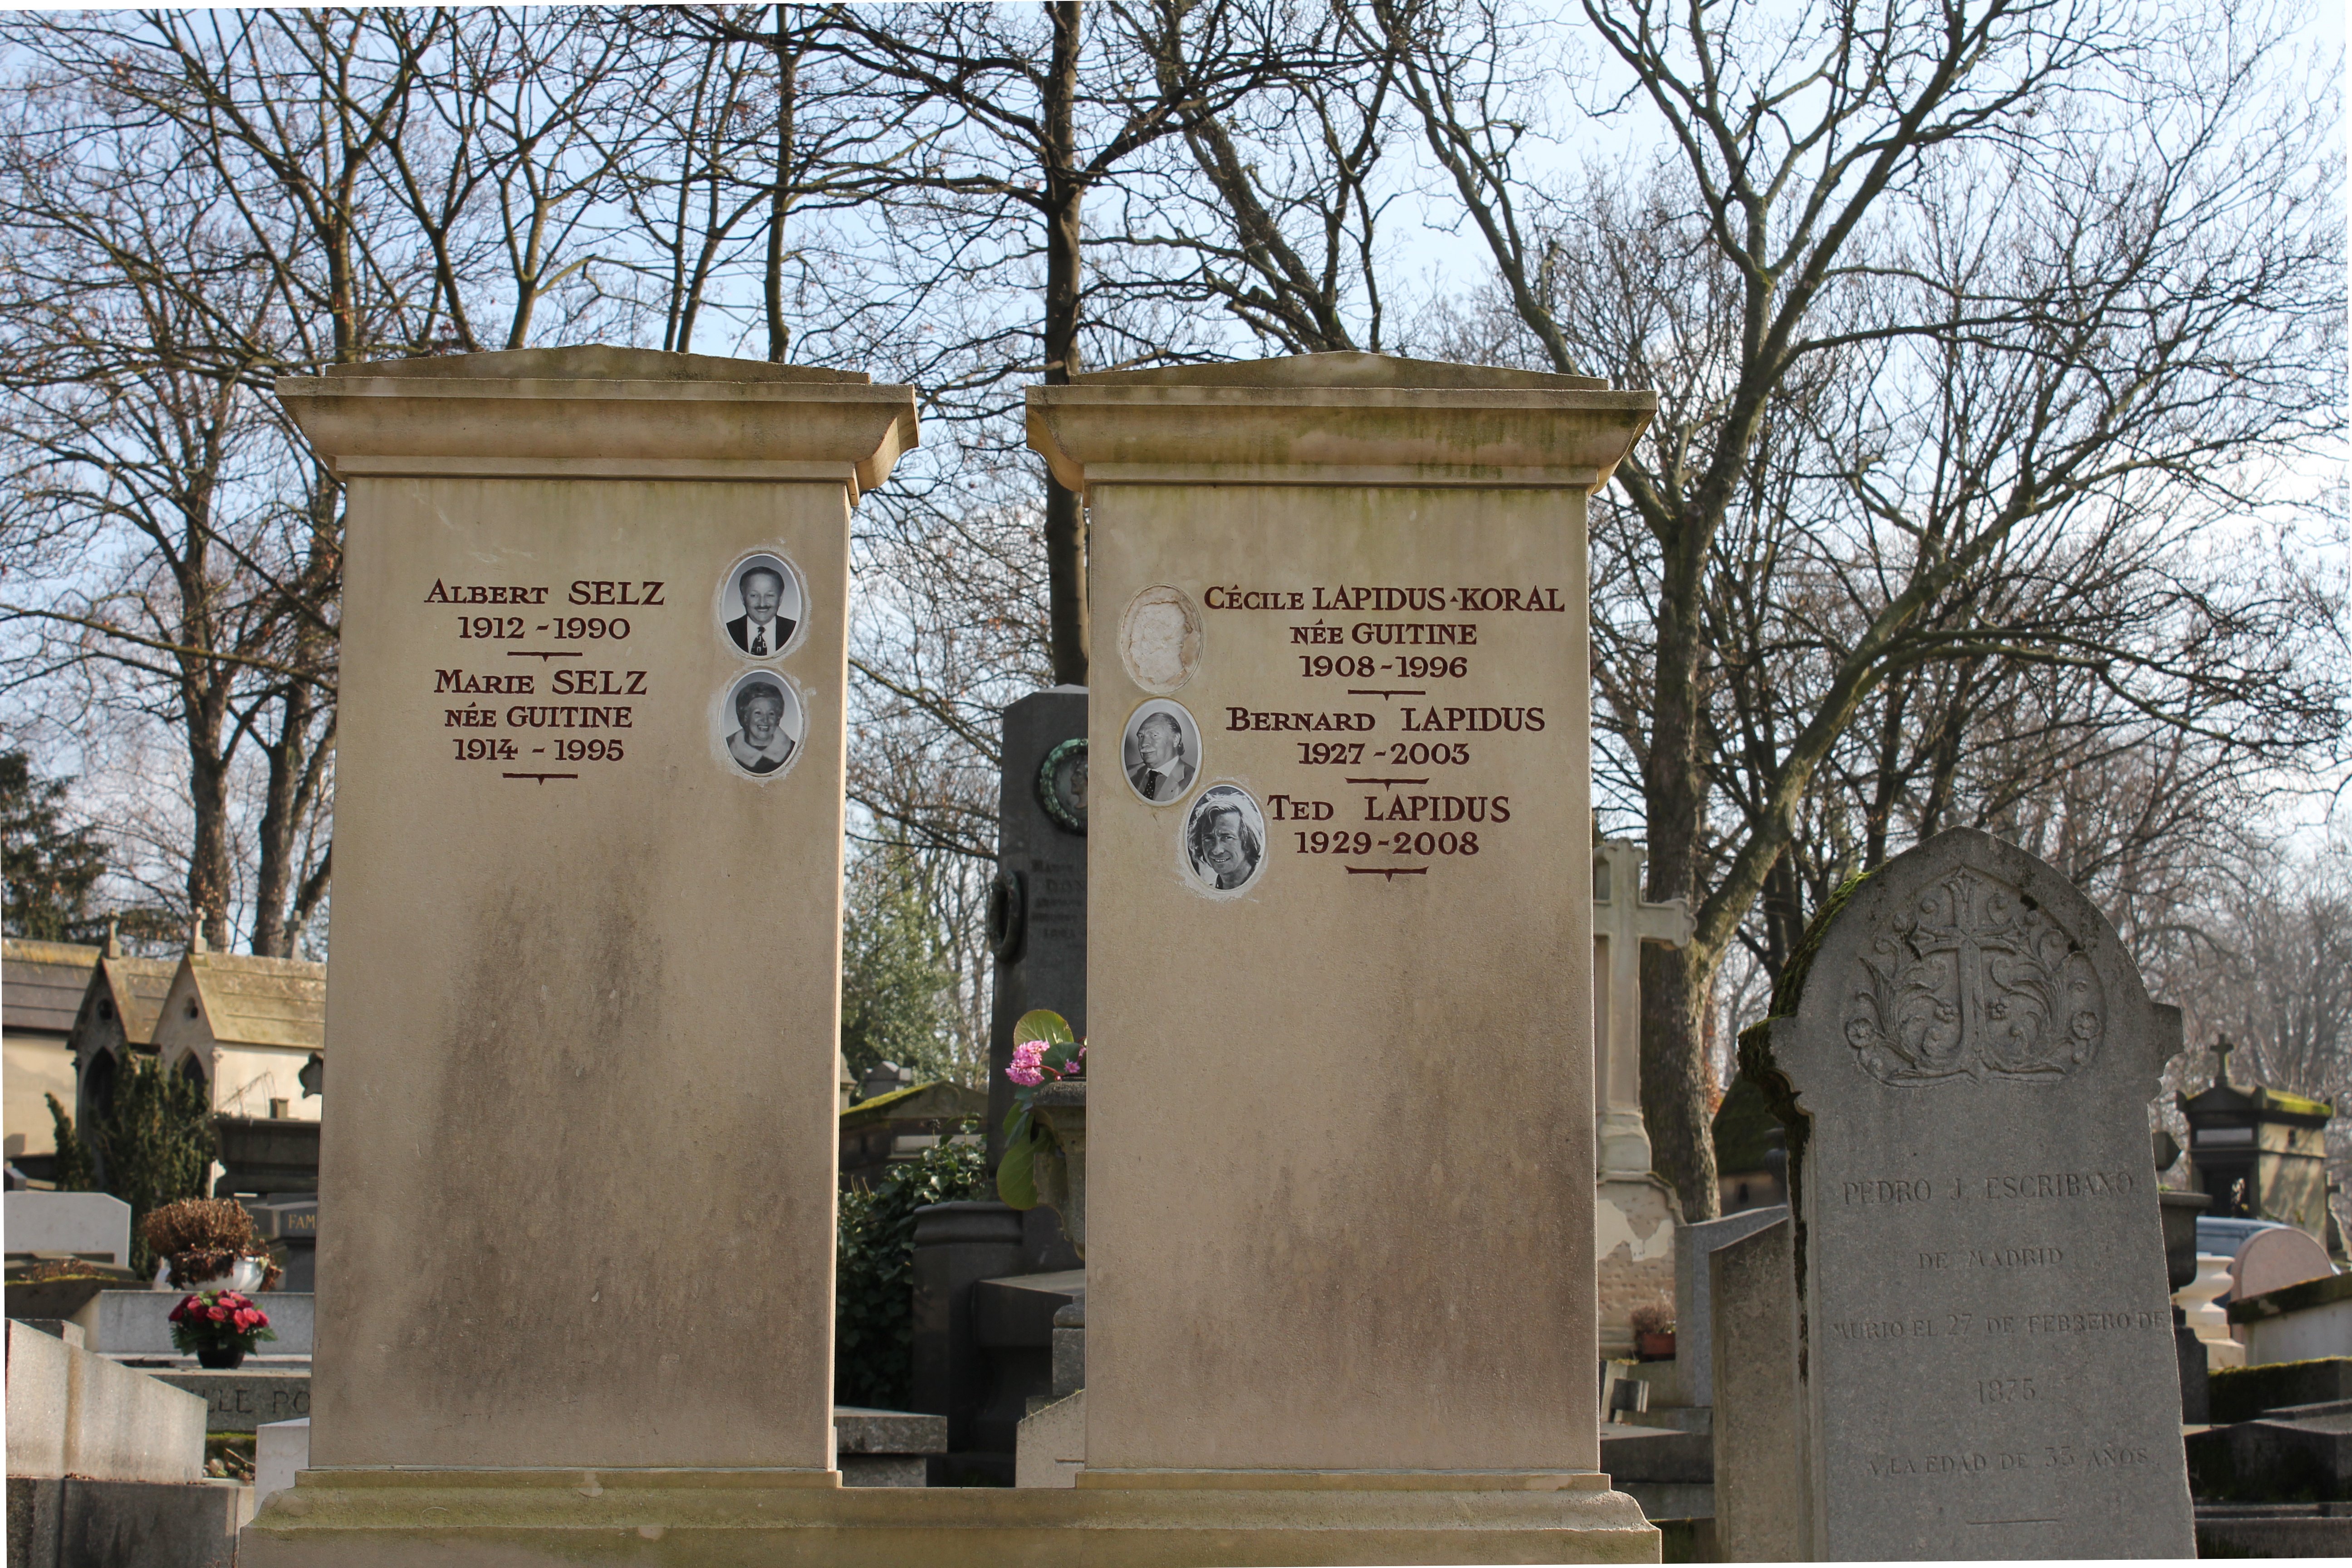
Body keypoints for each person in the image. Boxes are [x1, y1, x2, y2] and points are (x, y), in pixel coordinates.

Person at [1189, 797, 1258, 890]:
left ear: (1248, 840)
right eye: (1209, 838)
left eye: (1227, 838)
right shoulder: (1207, 893)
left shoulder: (1270, 886)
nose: (1217, 851)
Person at [726, 681, 794, 774]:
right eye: (758, 713)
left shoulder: (793, 751)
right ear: (746, 717)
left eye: (771, 714)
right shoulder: (727, 748)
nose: (765, 720)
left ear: (778, 718)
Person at [726, 565, 795, 656]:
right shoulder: (728, 631)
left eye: (770, 595)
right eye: (754, 595)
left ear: (781, 598)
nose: (762, 604)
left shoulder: (794, 631)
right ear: (743, 598)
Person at [1126, 711, 1195, 802]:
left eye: (1154, 735)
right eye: (1141, 736)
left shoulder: (1193, 780)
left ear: (1175, 740)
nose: (1144, 744)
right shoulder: (1129, 773)